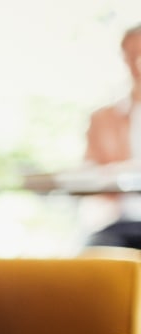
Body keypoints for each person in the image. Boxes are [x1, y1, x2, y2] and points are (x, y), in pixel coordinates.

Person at [83, 22, 141, 250]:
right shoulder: (103, 118)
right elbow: (89, 171)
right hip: (119, 223)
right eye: (132, 55)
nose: (138, 63)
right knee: (95, 256)